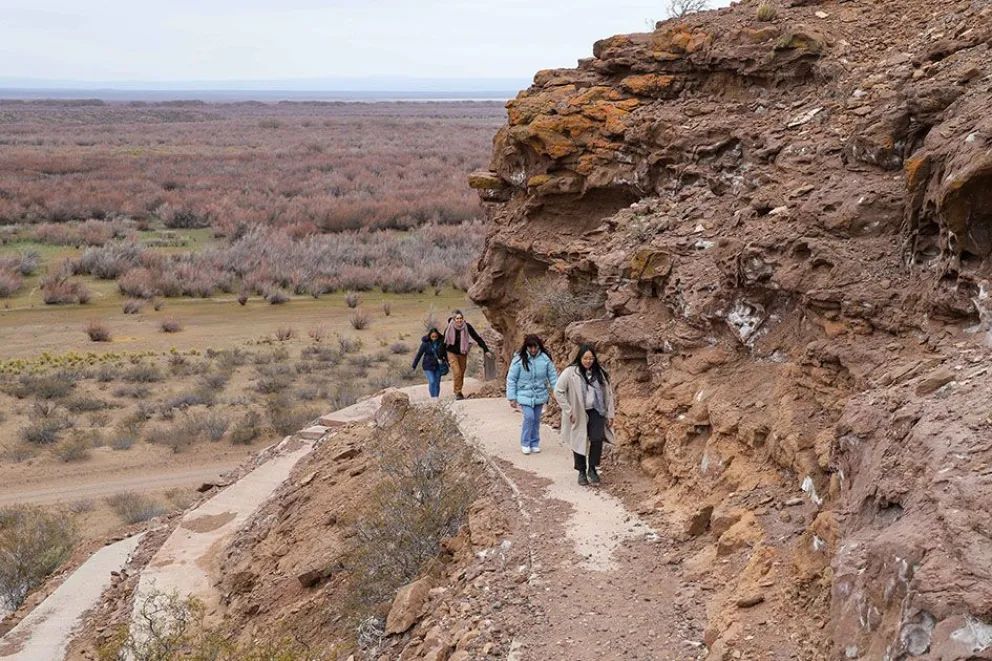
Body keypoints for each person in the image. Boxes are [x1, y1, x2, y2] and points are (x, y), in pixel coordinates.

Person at [554, 344, 615, 486]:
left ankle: (592, 469)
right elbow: (558, 391)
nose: (588, 361)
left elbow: (608, 394)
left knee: (597, 438)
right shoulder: (570, 372)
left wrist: (609, 414)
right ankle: (581, 471)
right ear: (580, 358)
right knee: (579, 440)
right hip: (578, 412)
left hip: (596, 410)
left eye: (591, 358)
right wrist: (568, 410)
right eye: (586, 358)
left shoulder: (600, 373)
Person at [506, 335, 558, 455]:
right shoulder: (518, 359)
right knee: (529, 417)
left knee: (536, 419)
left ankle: (534, 443)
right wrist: (512, 397)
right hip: (524, 393)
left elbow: (553, 376)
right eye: (530, 347)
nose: (533, 350)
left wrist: (556, 390)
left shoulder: (545, 359)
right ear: (526, 347)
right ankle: (525, 442)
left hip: (540, 393)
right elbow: (511, 379)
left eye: (535, 347)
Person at [443, 310, 492, 400]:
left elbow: (477, 337)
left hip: (463, 353)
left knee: (461, 373)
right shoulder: (449, 328)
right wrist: (442, 357)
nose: (459, 320)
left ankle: (459, 390)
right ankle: (457, 392)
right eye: (457, 318)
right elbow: (443, 343)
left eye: (461, 318)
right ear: (454, 319)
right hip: (451, 353)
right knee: (457, 372)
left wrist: (486, 350)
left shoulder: (467, 327)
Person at [411, 327, 448, 399]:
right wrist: (414, 366)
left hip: (438, 365)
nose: (434, 338)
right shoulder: (425, 344)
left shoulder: (441, 342)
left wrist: (448, 362)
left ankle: (436, 398)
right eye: (432, 337)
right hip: (428, 365)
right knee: (432, 381)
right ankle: (433, 397)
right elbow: (419, 354)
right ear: (430, 336)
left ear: (438, 336)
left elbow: (445, 354)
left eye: (436, 337)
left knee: (437, 382)